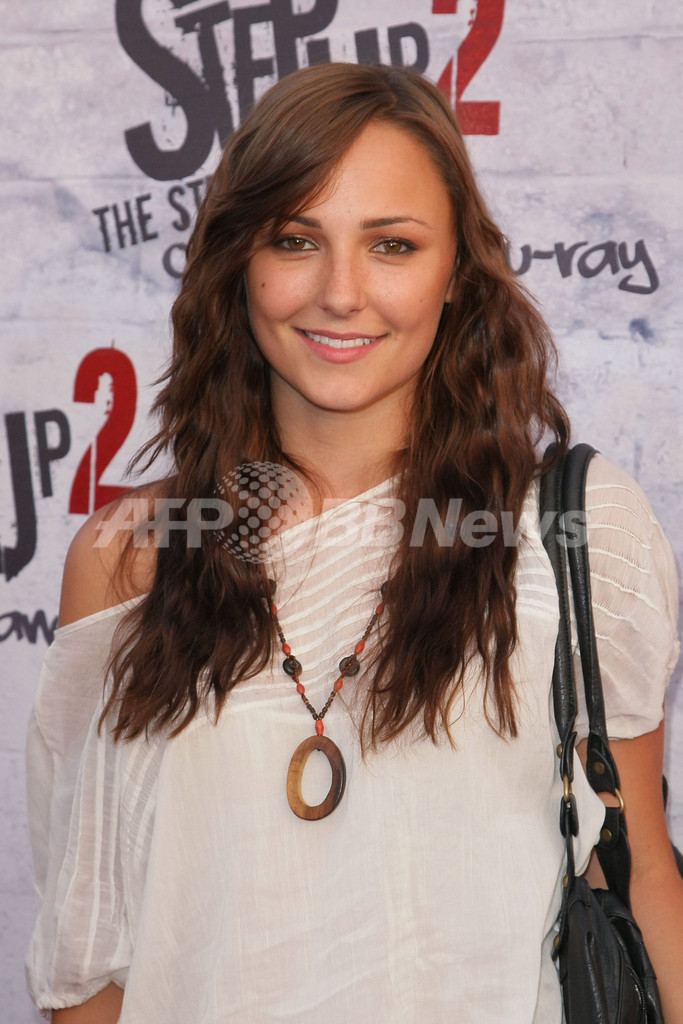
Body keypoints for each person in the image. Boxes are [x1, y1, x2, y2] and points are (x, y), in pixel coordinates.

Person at [26, 63, 683, 1023]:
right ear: (238, 263)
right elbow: (89, 953)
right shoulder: (130, 556)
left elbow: (638, 878)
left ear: (454, 274)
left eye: (391, 245)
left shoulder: (572, 533)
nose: (341, 293)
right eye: (295, 240)